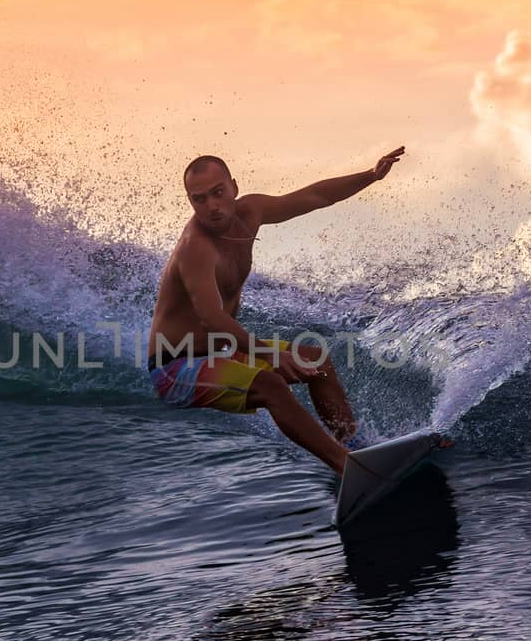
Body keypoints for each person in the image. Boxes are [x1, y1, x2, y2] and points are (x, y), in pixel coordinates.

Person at [147, 147, 405, 475]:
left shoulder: (251, 211)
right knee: (271, 385)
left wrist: (370, 176)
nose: (211, 206)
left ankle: (356, 448)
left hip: (220, 355)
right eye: (199, 199)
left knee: (316, 360)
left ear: (234, 188)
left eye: (218, 193)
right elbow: (211, 317)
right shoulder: (195, 248)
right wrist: (268, 353)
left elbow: (315, 196)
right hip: (176, 366)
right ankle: (347, 467)